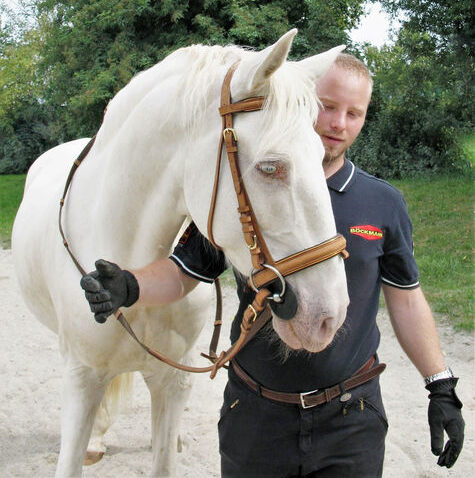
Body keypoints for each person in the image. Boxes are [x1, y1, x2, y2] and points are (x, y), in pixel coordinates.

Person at [81, 53, 464, 478]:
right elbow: (182, 271)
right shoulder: (243, 189)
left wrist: (439, 383)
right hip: (256, 416)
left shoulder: (382, 203)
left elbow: (407, 300)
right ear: (300, 99)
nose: (339, 123)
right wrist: (128, 286)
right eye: (328, 105)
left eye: (354, 113)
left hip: (351, 415)